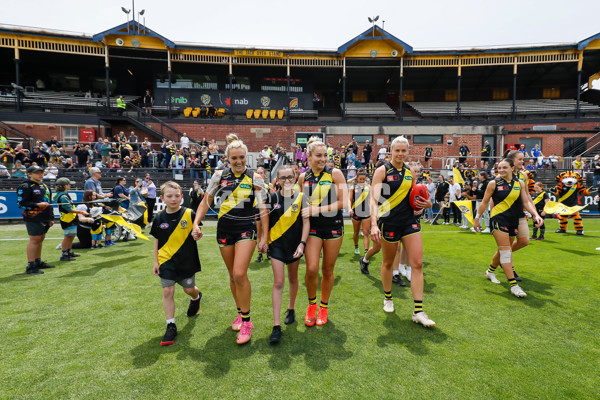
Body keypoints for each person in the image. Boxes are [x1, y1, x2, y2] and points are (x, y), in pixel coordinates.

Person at [192, 134, 268, 345]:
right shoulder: (219, 176)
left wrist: (264, 237)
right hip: (224, 228)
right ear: (228, 159)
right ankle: (239, 312)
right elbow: (205, 203)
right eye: (234, 158)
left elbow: (263, 209)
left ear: (247, 157)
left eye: (242, 157)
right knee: (232, 277)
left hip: (247, 228)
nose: (238, 161)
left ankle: (247, 322)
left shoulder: (256, 178)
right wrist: (196, 222)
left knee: (239, 273)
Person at [369, 136, 435, 327]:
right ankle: (388, 297)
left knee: (418, 263)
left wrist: (426, 204)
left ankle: (418, 311)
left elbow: (416, 197)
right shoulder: (382, 171)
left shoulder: (409, 173)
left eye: (403, 151)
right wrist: (374, 224)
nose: (400, 154)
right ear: (391, 151)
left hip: (409, 221)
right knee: (388, 262)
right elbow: (373, 200)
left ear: (408, 151)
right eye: (396, 150)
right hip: (388, 222)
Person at [297, 136, 348, 327]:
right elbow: (297, 202)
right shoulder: (303, 177)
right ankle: (312, 304)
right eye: (318, 155)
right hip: (312, 228)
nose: (323, 159)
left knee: (327, 269)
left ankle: (324, 307)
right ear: (308, 157)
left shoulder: (335, 174)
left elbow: (343, 203)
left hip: (333, 225)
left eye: (325, 155)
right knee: (311, 269)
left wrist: (315, 209)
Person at [474, 158, 543, 298]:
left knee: (505, 250)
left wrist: (535, 214)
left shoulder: (520, 183)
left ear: (512, 168)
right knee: (506, 252)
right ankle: (514, 285)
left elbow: (525, 202)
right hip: (498, 219)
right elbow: (484, 202)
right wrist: (477, 218)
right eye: (499, 168)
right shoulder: (493, 183)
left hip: (513, 220)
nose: (501, 170)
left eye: (504, 167)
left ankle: (490, 271)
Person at [151, 181, 203, 346]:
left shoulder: (190, 213)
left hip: (186, 260)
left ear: (182, 197)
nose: (173, 199)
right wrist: (156, 261)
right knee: (167, 290)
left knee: (189, 289)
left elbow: (197, 232)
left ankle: (196, 297)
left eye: (176, 196)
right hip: (166, 260)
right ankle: (170, 325)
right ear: (162, 198)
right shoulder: (159, 217)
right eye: (169, 196)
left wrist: (197, 234)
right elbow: (157, 241)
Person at [267, 165, 310, 344]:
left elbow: (306, 222)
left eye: (289, 177)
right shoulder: (271, 198)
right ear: (277, 180)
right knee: (278, 282)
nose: (286, 181)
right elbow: (263, 221)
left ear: (294, 178)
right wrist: (262, 240)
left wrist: (302, 244)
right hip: (276, 245)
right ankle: (276, 326)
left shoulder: (301, 197)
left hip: (294, 245)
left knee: (293, 279)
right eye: (282, 178)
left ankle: (291, 308)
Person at [16, 166, 55, 275]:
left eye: (41, 172)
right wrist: (37, 205)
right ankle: (31, 265)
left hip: (45, 217)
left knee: (40, 239)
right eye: (37, 173)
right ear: (29, 174)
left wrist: (51, 218)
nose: (40, 174)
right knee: (35, 239)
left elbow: (49, 202)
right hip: (33, 217)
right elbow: (21, 204)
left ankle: (38, 261)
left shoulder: (44, 186)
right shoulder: (25, 186)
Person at [54, 177, 94, 261]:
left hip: (70, 219)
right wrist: (82, 212)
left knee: (71, 236)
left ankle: (69, 252)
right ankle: (64, 254)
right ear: (65, 185)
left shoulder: (63, 194)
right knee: (68, 237)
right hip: (68, 219)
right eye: (69, 184)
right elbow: (69, 209)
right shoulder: (63, 196)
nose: (70, 186)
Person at [349, 168, 371, 258]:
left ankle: (366, 251)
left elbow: (371, 199)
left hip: (366, 212)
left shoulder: (368, 187)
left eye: (363, 179)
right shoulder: (352, 187)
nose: (362, 181)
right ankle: (356, 247)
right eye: (360, 179)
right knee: (356, 232)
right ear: (357, 178)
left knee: (366, 233)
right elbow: (349, 200)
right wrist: (350, 209)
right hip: (356, 213)